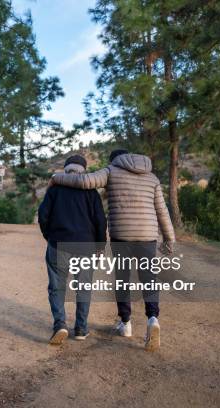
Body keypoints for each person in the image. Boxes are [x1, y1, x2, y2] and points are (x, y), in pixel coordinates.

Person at [50, 149, 175, 352]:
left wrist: (57, 177)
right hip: (147, 236)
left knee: (123, 279)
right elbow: (162, 209)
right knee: (149, 278)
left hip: (122, 235)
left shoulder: (112, 170)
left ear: (114, 160)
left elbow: (84, 181)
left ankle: (125, 323)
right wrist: (169, 238)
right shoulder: (152, 177)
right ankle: (153, 318)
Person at [38, 155, 107, 345]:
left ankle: (60, 324)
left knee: (57, 287)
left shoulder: (55, 190)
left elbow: (43, 215)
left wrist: (50, 236)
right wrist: (100, 245)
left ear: (66, 169)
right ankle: (81, 329)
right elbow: (100, 221)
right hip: (85, 247)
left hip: (58, 244)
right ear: (83, 171)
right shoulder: (91, 192)